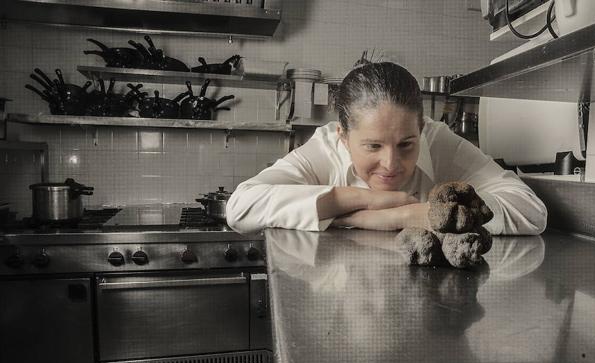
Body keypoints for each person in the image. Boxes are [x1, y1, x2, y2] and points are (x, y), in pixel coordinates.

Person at [226, 62, 547, 235]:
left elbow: (530, 211)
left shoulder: (436, 139)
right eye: (372, 146)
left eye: (407, 144)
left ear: (421, 130)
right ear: (343, 136)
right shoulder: (325, 147)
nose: (391, 163)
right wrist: (352, 200)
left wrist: (411, 215)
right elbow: (241, 207)